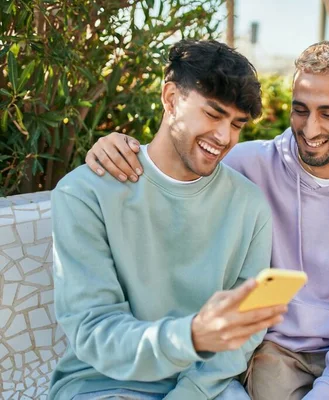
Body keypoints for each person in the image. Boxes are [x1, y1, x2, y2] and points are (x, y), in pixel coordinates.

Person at [85, 40, 329, 400]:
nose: (310, 130)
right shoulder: (248, 167)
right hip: (274, 350)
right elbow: (175, 168)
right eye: (300, 110)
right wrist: (118, 146)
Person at [50, 39, 287, 400]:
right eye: (213, 114)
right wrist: (189, 336)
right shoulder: (85, 193)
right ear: (171, 99)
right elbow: (94, 330)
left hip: (205, 389)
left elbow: (245, 332)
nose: (224, 137)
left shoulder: (250, 205)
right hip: (104, 386)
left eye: (237, 124)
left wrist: (190, 391)